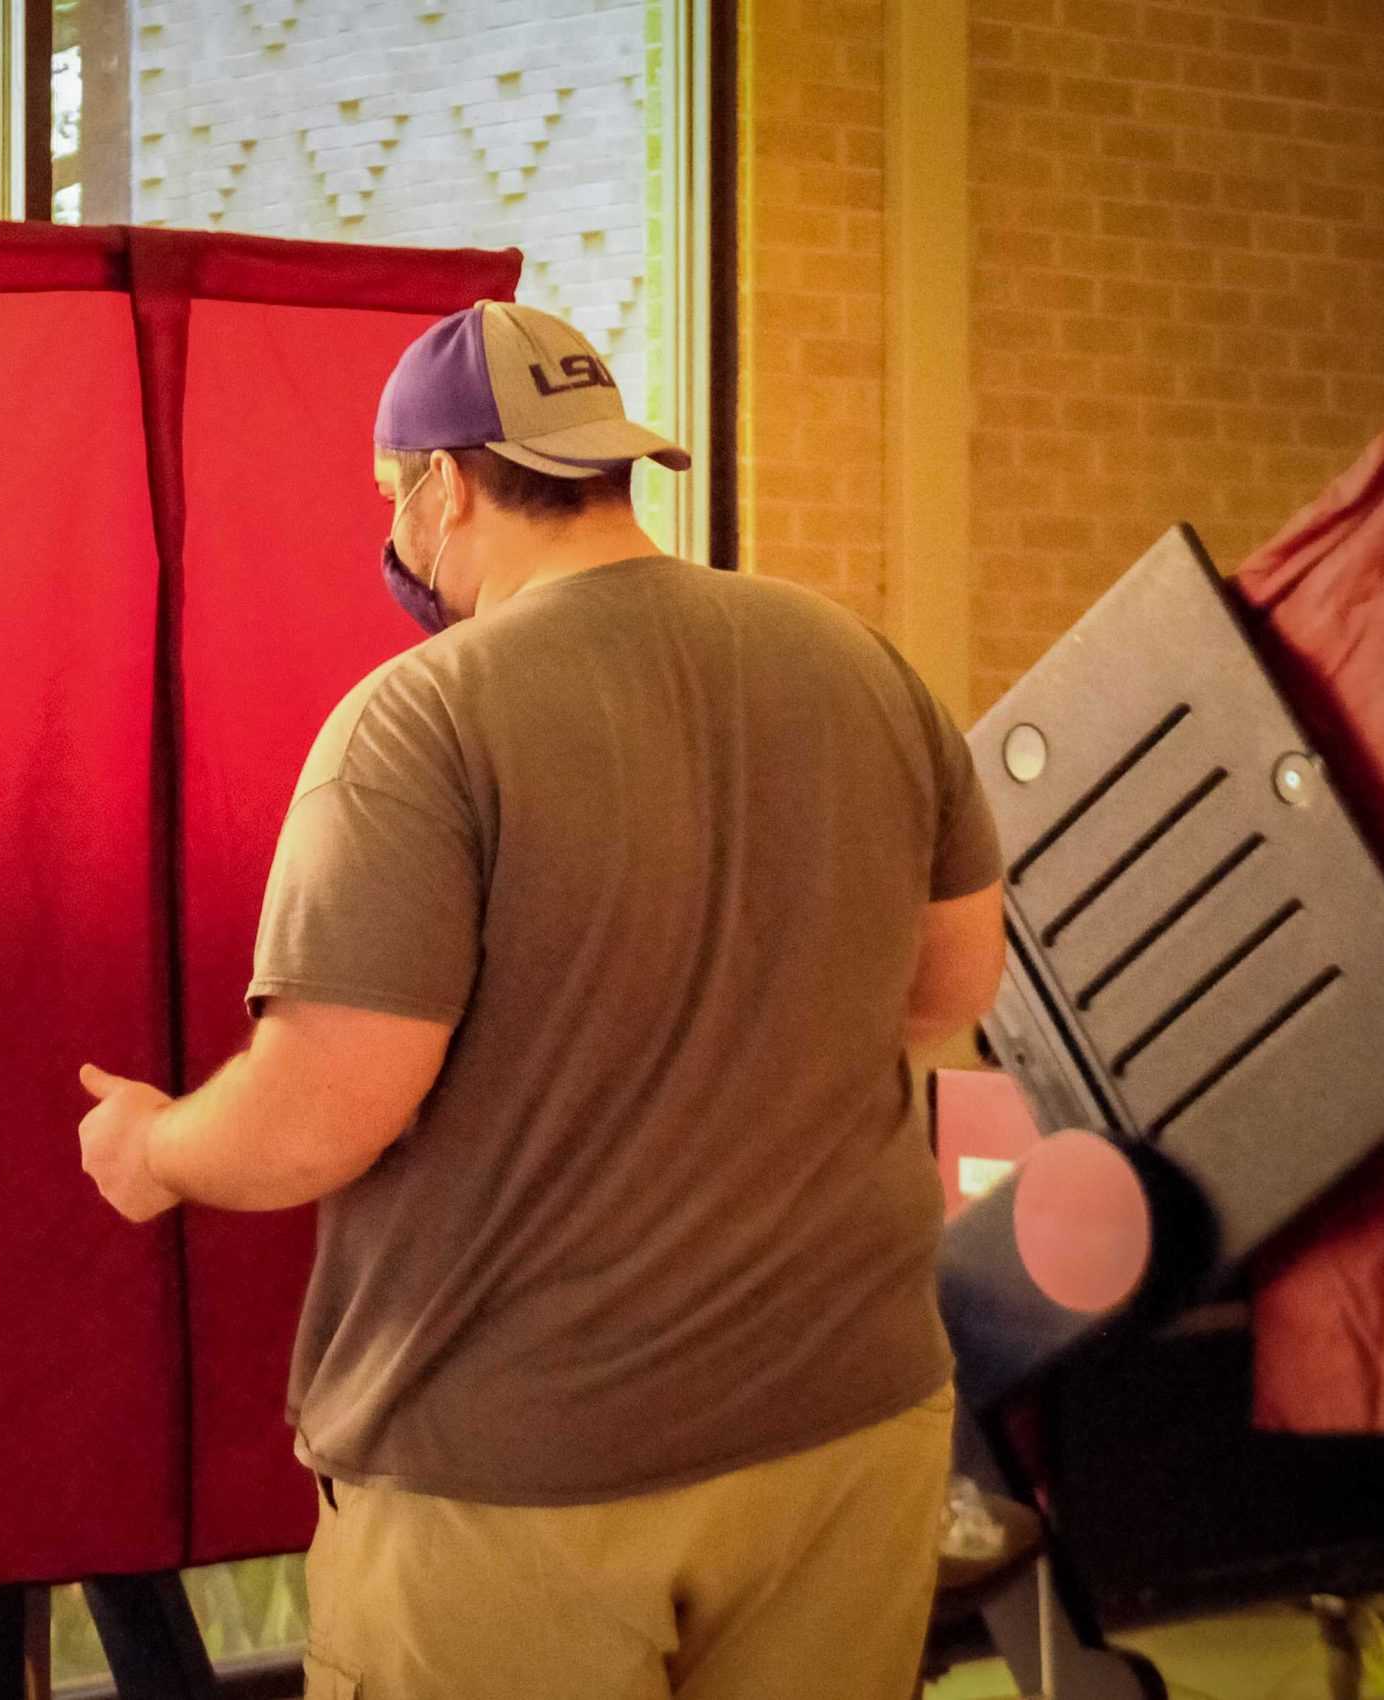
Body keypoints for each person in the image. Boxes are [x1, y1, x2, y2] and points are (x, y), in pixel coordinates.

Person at [75, 300, 1006, 1699]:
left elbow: (326, 1112)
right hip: (847, 1424)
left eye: (395, 498)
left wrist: (152, 1150)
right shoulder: (858, 663)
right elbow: (946, 989)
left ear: (444, 486)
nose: (396, 535)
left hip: (528, 1480)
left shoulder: (420, 721)